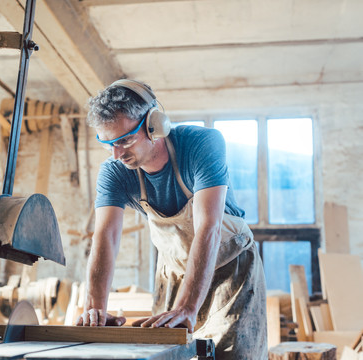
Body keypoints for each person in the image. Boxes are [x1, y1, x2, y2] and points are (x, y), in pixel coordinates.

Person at [77, 79, 267, 359]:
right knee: (167, 352)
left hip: (230, 266)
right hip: (175, 270)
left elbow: (208, 228)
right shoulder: (114, 171)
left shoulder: (201, 144)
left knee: (233, 354)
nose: (118, 154)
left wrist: (188, 307)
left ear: (155, 124)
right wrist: (95, 308)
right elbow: (105, 236)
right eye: (108, 144)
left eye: (125, 140)